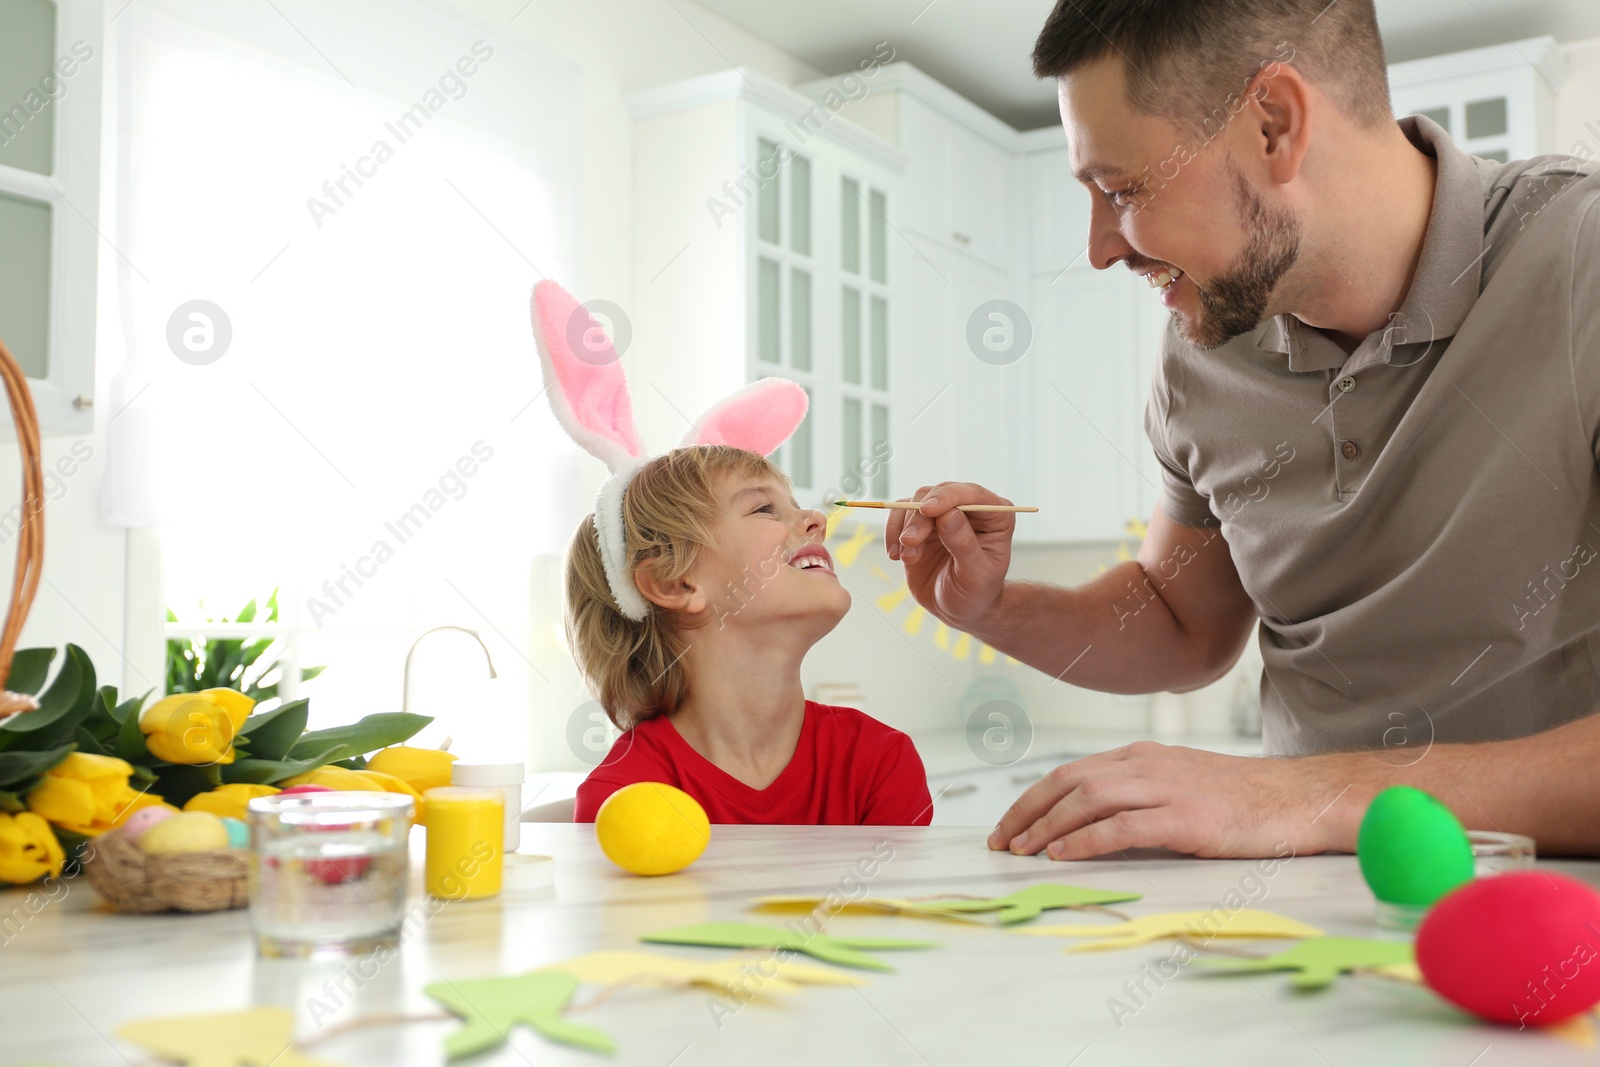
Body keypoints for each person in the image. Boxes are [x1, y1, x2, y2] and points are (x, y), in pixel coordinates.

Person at [886, 0, 1600, 860]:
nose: (1100, 249)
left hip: (1549, 911)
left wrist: (1300, 795)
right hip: (1291, 906)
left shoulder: (1579, 262)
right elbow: (1181, 619)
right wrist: (996, 606)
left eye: (1123, 190)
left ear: (1273, 124)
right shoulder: (1206, 344)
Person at [527, 278, 930, 826]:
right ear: (675, 584)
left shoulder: (880, 763)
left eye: (795, 505)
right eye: (765, 509)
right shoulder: (626, 795)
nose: (815, 519)